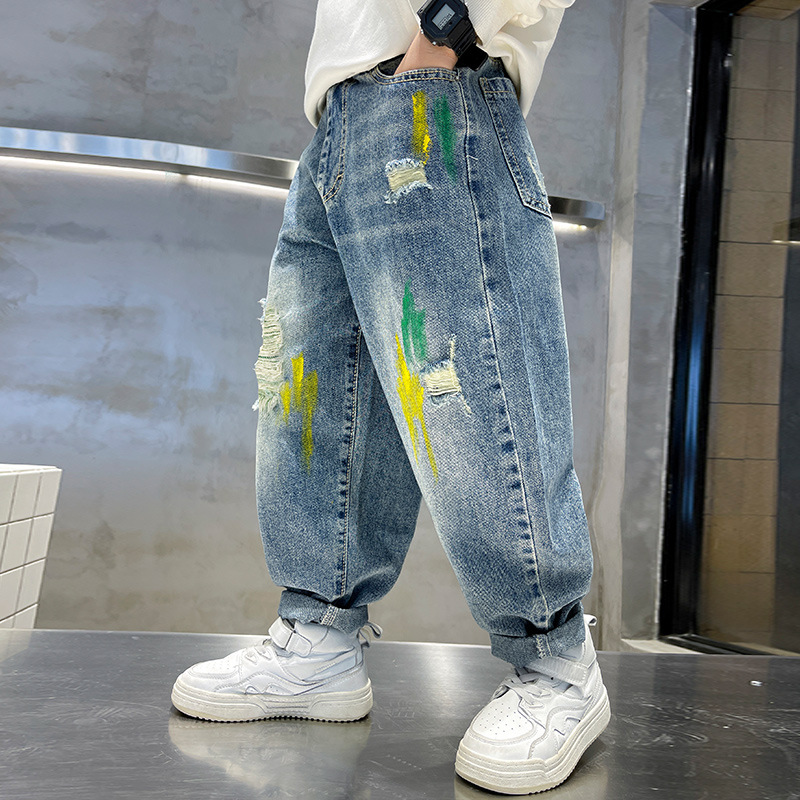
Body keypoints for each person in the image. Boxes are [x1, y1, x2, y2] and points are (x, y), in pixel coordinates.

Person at [171, 0, 610, 793]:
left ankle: (557, 659)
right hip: (338, 117)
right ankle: (321, 638)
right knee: (311, 391)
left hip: (436, 90)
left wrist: (441, 40)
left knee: (469, 387)